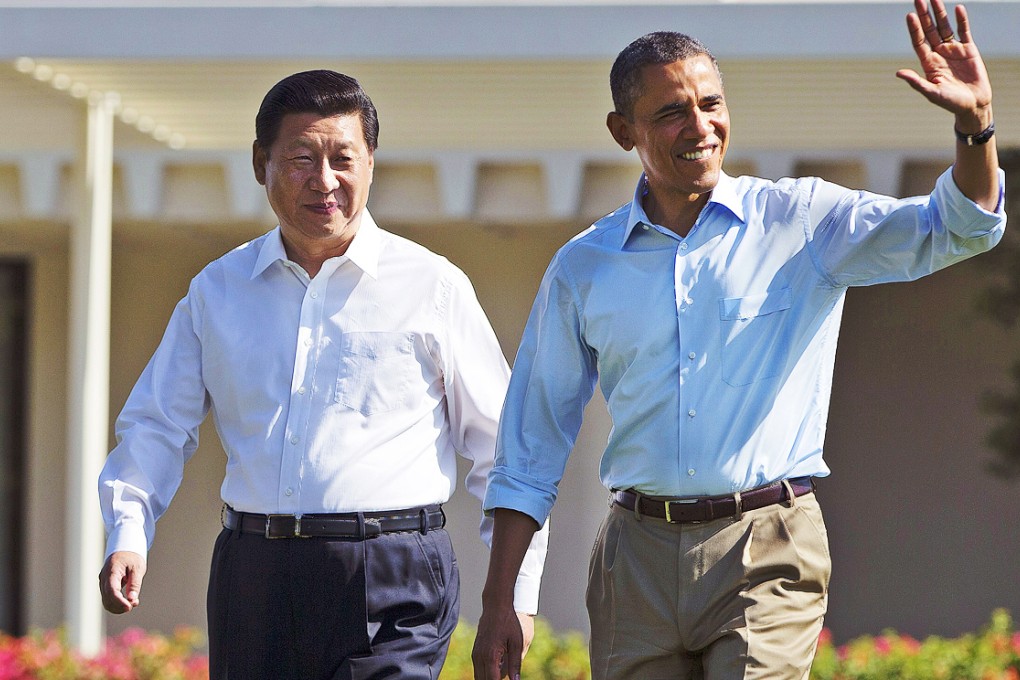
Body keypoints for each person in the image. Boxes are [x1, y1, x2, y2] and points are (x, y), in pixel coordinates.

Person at [472, 0, 1005, 678]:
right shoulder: (584, 266)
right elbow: (531, 442)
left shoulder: (801, 219)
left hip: (768, 545)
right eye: (670, 111)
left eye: (711, 104)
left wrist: (974, 127)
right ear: (621, 129)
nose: (700, 126)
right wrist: (501, 601)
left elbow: (954, 229)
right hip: (633, 558)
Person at [98, 69, 547, 680]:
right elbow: (156, 424)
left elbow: (504, 451)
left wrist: (515, 596)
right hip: (253, 574)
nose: (325, 180)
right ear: (262, 163)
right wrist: (128, 530)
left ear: (371, 163)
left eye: (343, 158)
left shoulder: (432, 286)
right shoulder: (217, 291)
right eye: (301, 158)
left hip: (394, 576)